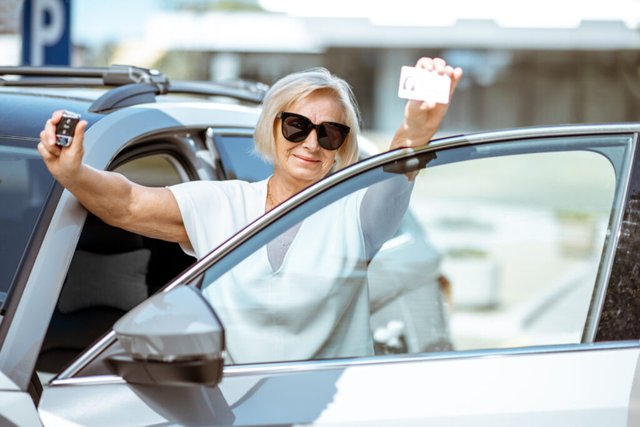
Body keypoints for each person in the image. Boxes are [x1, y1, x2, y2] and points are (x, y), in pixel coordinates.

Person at [39, 57, 463, 363]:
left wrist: (417, 130)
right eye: (297, 126)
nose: (311, 144)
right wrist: (74, 174)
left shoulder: (357, 213)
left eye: (329, 133)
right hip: (238, 408)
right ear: (272, 128)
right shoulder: (224, 203)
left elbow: (398, 167)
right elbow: (129, 201)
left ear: (341, 148)